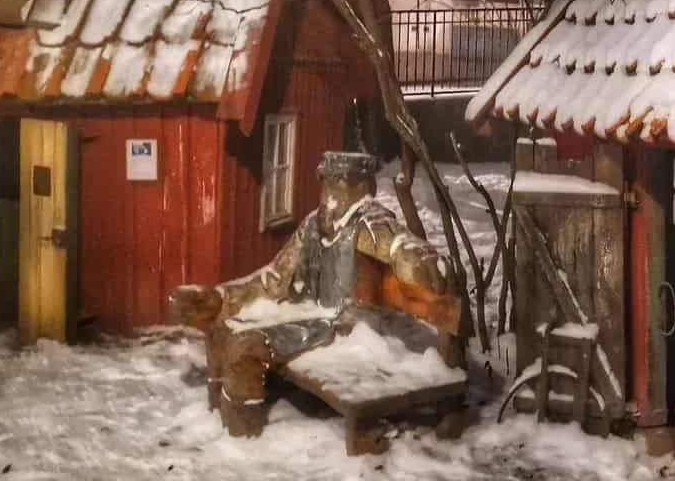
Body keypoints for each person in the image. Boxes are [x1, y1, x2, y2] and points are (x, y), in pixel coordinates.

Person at [172, 151, 465, 436]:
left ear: (363, 186)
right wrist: (222, 298)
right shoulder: (315, 223)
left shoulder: (369, 222)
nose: (333, 194)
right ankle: (222, 417)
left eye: (342, 184)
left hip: (347, 327)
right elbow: (275, 277)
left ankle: (245, 437)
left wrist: (418, 258)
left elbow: (397, 243)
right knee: (224, 328)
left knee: (247, 346)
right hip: (312, 315)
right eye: (328, 182)